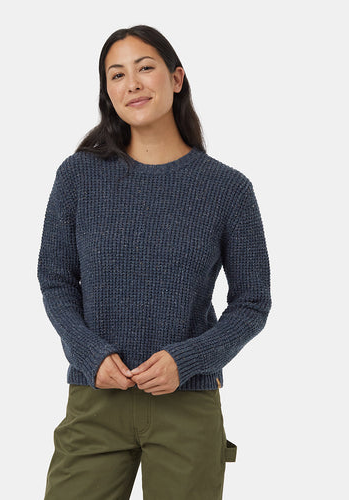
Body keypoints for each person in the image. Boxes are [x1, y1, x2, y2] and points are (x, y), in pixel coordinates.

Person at [37, 24, 272, 500]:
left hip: (186, 405)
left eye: (145, 68)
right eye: (116, 75)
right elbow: (56, 279)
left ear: (176, 78)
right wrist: (89, 353)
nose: (132, 84)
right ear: (107, 91)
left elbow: (252, 302)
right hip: (96, 400)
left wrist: (188, 360)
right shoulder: (79, 175)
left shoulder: (227, 189)